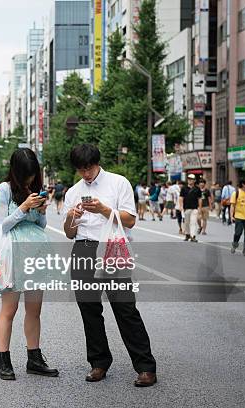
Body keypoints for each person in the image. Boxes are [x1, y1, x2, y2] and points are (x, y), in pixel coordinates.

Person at [62, 143, 157, 387]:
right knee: (89, 310)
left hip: (112, 247)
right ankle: (99, 362)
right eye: (81, 170)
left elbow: (131, 220)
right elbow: (69, 233)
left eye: (89, 168)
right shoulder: (73, 191)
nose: (86, 174)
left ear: (97, 163)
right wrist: (74, 217)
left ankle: (145, 366)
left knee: (125, 309)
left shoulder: (118, 182)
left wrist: (104, 210)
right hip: (83, 249)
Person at [0, 148, 58, 381]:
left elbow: (39, 225)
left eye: (33, 174)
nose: (30, 179)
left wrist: (40, 211)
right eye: (26, 174)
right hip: (13, 254)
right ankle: (4, 361)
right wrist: (23, 208)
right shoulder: (3, 190)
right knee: (9, 309)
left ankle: (34, 358)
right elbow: (2, 225)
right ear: (17, 171)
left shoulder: (34, 190)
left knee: (34, 310)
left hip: (36, 254)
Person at [180, 174, 201, 242]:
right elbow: (181, 198)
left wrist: (199, 208)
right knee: (186, 222)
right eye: (188, 179)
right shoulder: (184, 188)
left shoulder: (197, 189)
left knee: (193, 222)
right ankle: (187, 234)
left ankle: (193, 236)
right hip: (186, 208)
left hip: (194, 208)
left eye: (191, 179)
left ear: (194, 180)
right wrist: (181, 206)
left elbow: (199, 199)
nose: (190, 180)